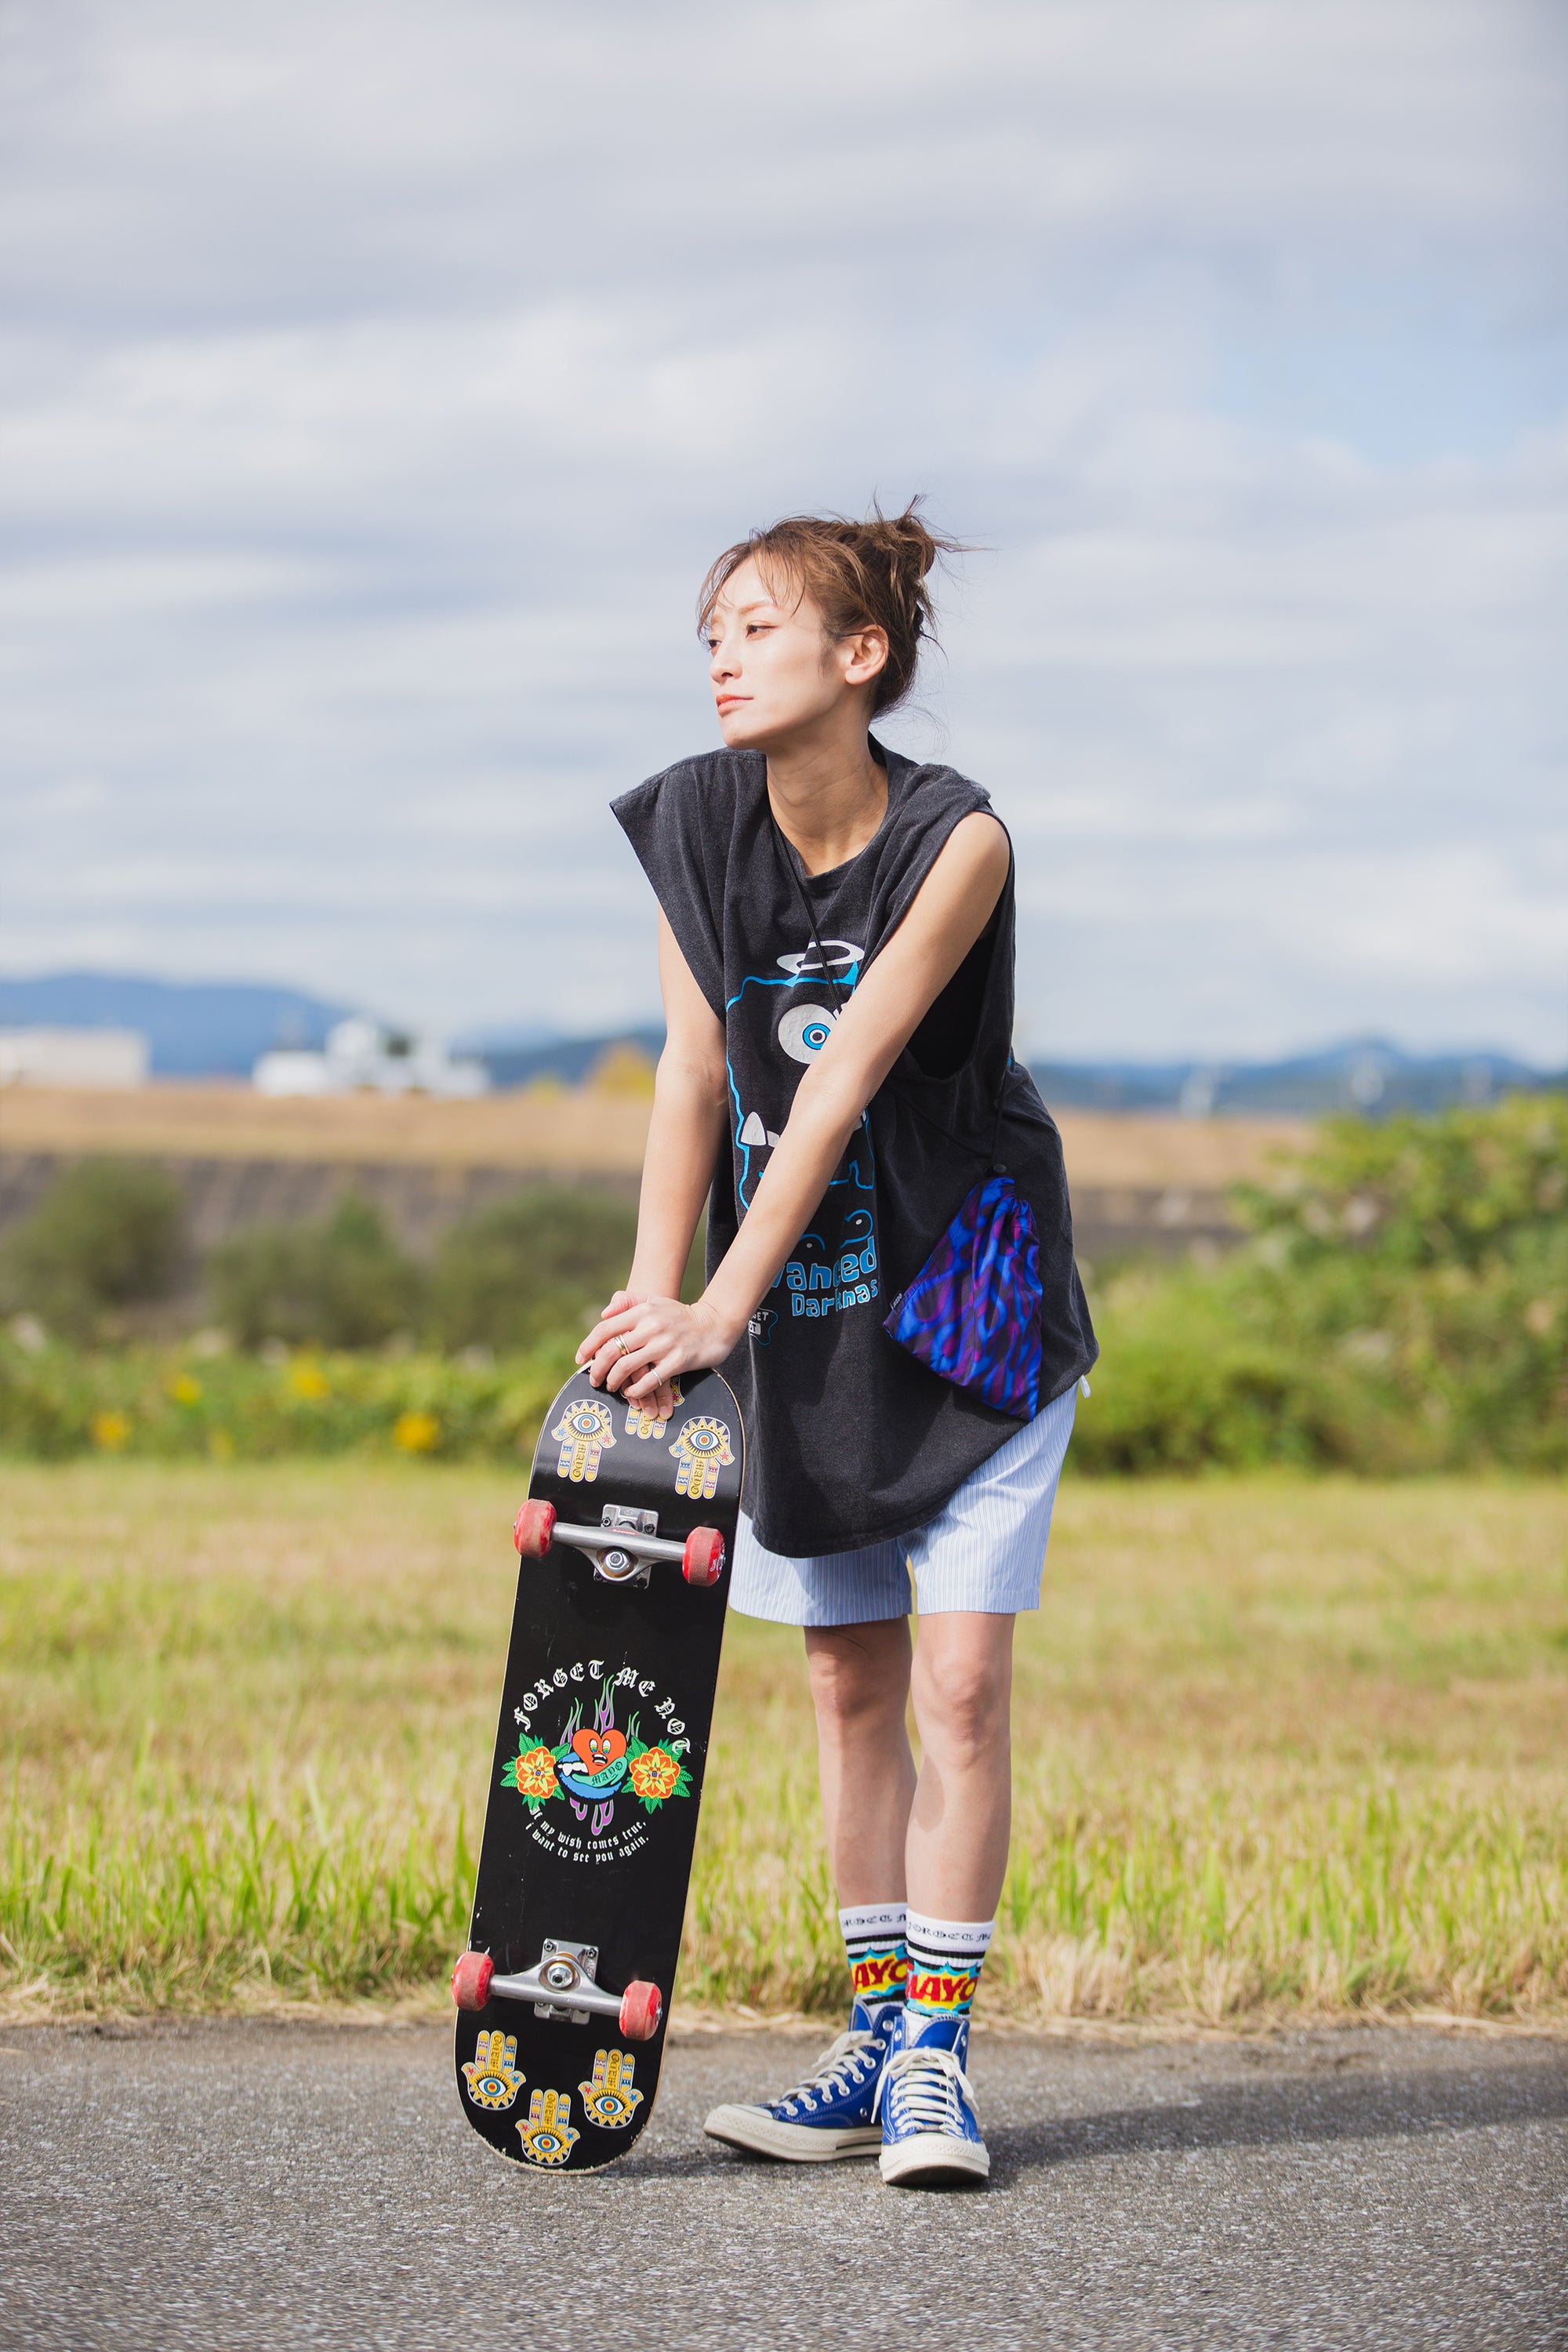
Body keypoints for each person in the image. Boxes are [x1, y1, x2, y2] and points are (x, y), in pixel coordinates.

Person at [575, 503, 1097, 2187]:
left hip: (966, 1300)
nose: (722, 657)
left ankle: (937, 2062)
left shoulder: (958, 840)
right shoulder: (691, 821)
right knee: (847, 1678)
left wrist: (718, 1303)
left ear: (859, 656)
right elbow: (691, 1072)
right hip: (807, 1313)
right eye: (710, 633)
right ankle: (870, 2050)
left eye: (758, 626)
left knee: (959, 1680)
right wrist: (649, 1311)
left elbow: (840, 1080)